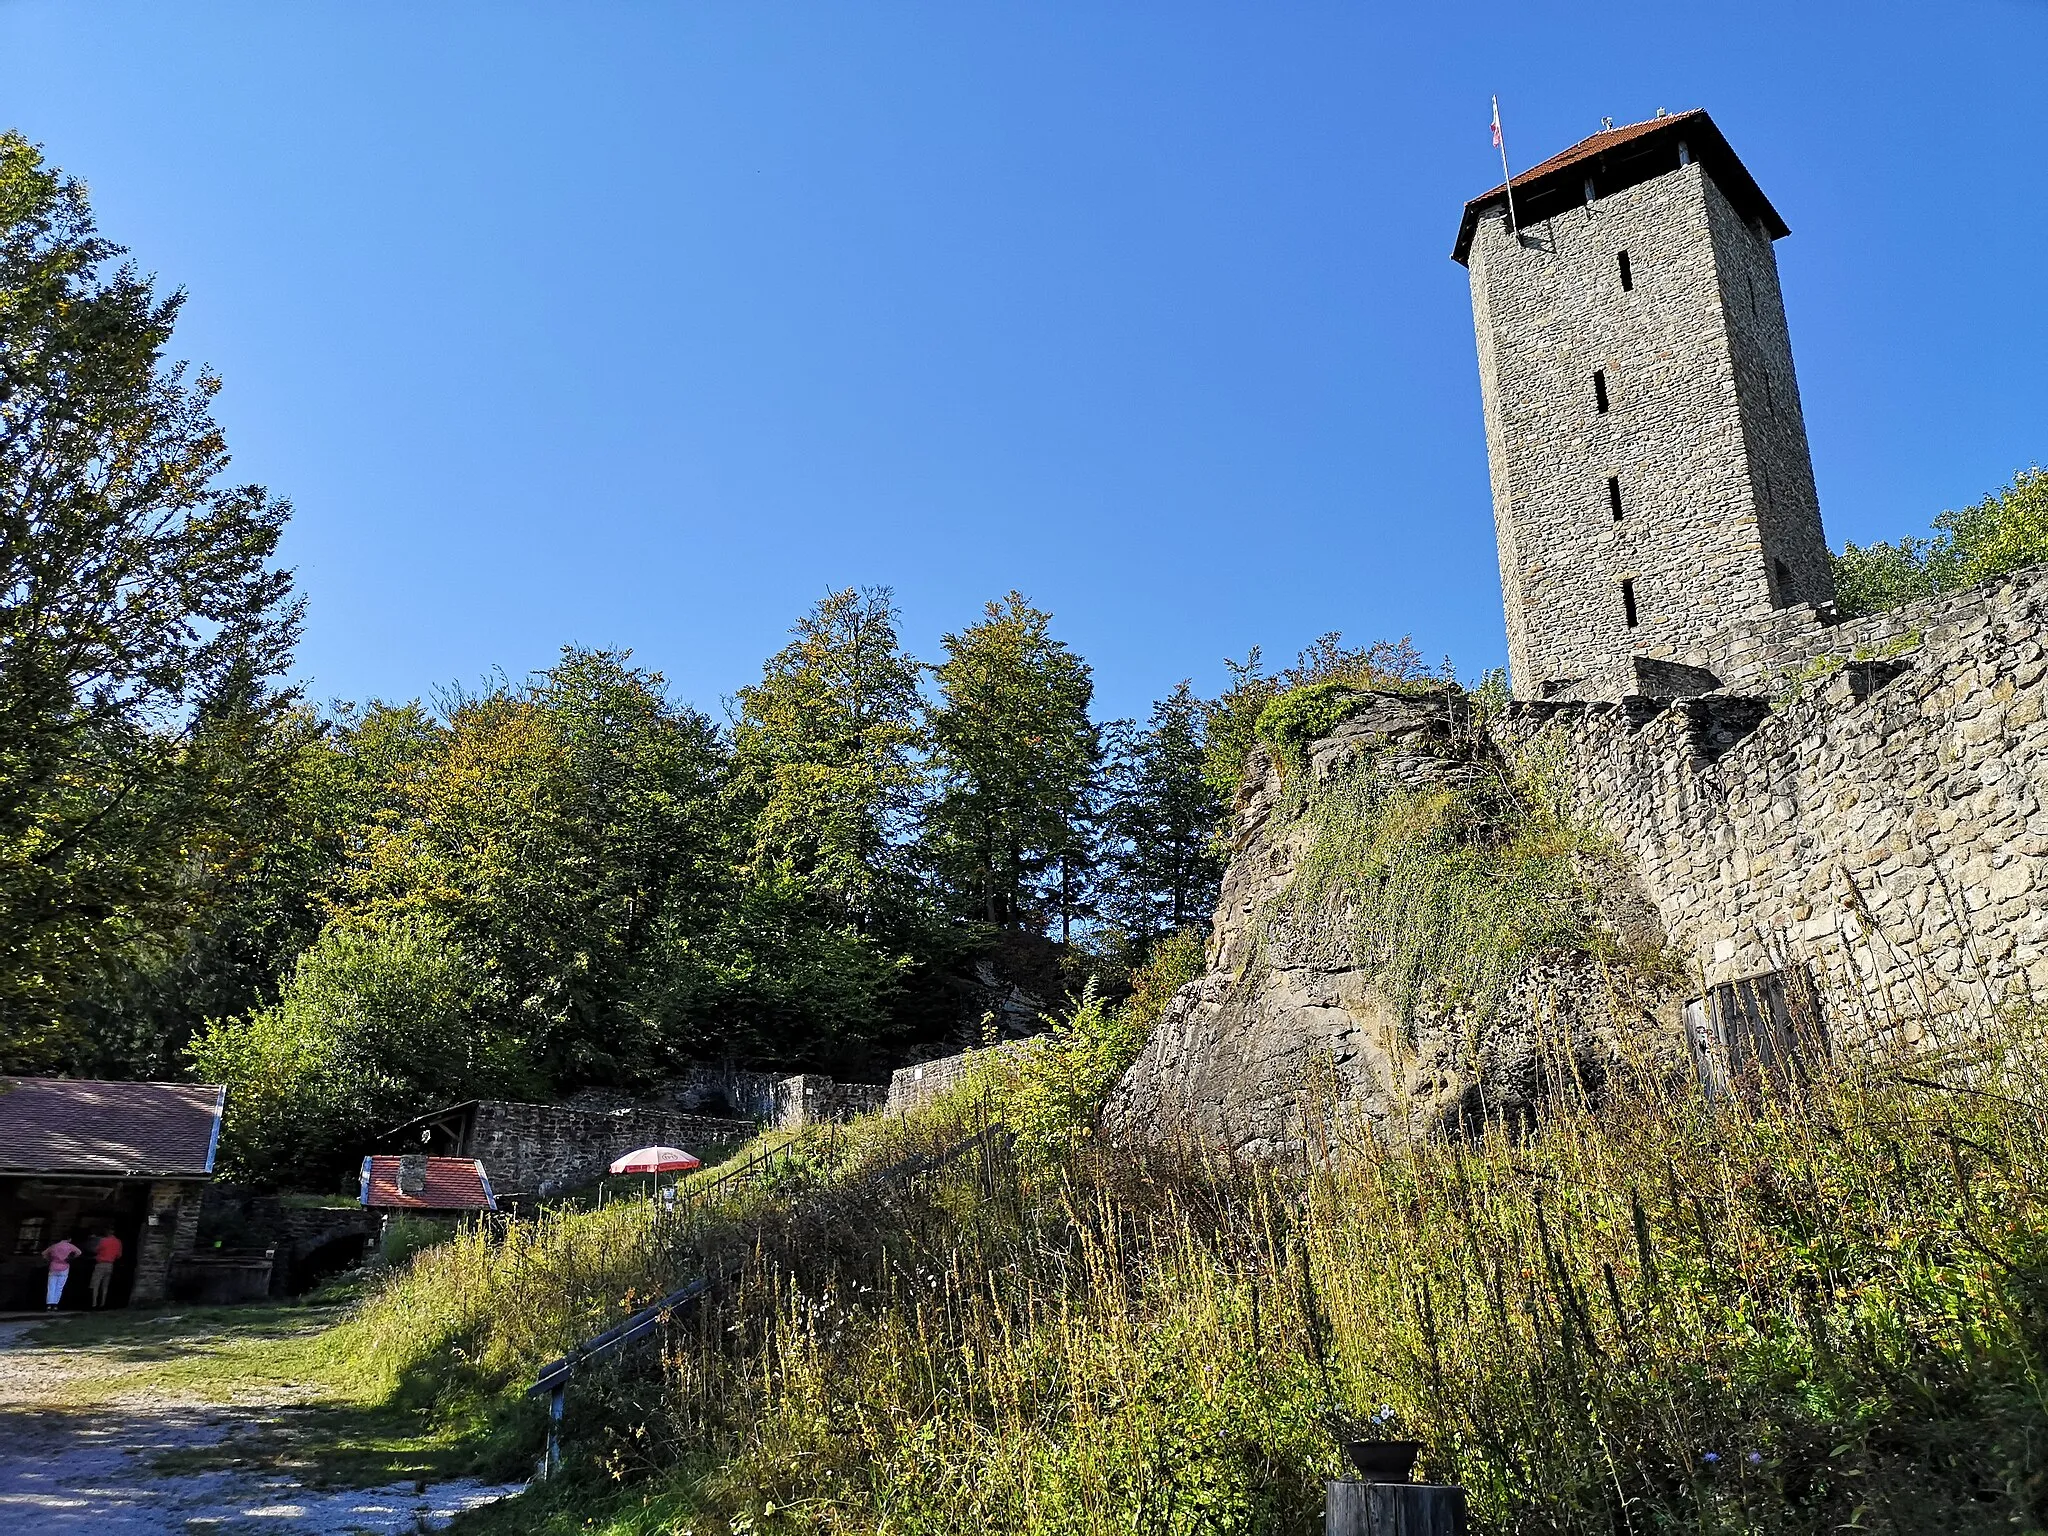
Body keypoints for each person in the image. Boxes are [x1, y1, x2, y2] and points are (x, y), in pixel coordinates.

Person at [41, 1234, 82, 1311]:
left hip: (53, 1266)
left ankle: (49, 1304)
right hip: (64, 1267)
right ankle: (55, 1305)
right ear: (69, 1239)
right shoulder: (69, 1246)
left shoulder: (54, 1246)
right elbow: (79, 1252)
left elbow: (43, 1253)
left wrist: (49, 1259)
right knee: (59, 1287)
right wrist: (70, 1258)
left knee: (51, 1287)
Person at [89, 1229, 123, 1308]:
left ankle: (94, 1304)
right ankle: (103, 1303)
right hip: (110, 1265)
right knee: (105, 1286)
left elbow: (96, 1250)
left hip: (101, 1264)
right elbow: (119, 1255)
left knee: (96, 1284)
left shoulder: (103, 1241)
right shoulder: (118, 1242)